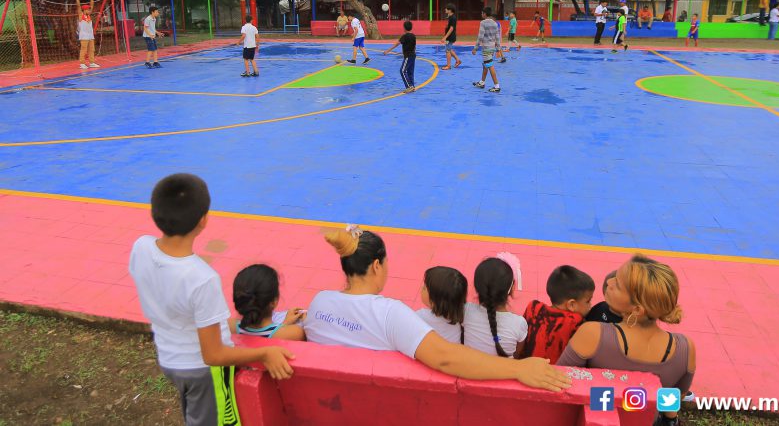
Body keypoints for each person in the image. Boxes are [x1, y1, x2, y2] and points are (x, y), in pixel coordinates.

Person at [303, 225, 571, 391]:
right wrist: (518, 369)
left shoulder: (318, 303)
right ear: (376, 265)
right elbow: (445, 357)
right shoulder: (390, 313)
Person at [129, 174, 298, 426]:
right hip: (202, 372)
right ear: (203, 220)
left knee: (195, 413)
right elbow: (214, 355)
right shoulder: (201, 278)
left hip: (169, 357)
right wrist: (265, 352)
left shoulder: (140, 247)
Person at [558, 255, 696, 426]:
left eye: (618, 284)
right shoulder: (685, 349)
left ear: (637, 309)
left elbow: (560, 383)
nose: (609, 283)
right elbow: (673, 397)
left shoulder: (592, 334)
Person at [520, 265, 594, 364]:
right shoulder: (575, 322)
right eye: (588, 301)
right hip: (555, 374)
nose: (590, 305)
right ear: (571, 304)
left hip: (526, 367)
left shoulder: (533, 308)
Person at [463, 256, 527, 358]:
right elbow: (517, 355)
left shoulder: (466, 311)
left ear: (476, 287)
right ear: (511, 288)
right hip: (504, 372)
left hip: (470, 368)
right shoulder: (519, 324)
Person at [232, 264, 306, 338]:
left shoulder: (231, 327)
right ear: (274, 301)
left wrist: (284, 324)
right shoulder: (295, 333)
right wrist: (307, 322)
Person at [416, 266, 468, 344]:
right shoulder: (463, 315)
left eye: (424, 288)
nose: (421, 288)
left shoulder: (420, 316)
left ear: (434, 301)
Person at [382, 20, 417, 93]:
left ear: (404, 28)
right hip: (413, 55)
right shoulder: (413, 36)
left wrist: (388, 51)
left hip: (408, 56)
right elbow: (414, 46)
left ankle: (409, 86)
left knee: (402, 70)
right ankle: (412, 86)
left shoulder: (404, 36)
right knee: (410, 72)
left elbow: (396, 44)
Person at [472, 7, 501, 92]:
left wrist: (475, 48)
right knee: (486, 64)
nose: (481, 15)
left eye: (482, 13)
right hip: (492, 48)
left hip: (486, 48)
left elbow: (480, 36)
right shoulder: (495, 23)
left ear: (484, 14)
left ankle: (496, 86)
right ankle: (482, 82)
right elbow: (497, 37)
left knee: (489, 65)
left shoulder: (483, 23)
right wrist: (498, 49)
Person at [76, 0, 99, 69]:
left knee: (92, 49)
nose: (89, 11)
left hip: (90, 36)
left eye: (89, 10)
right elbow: (78, 6)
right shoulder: (81, 15)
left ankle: (92, 62)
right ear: (84, 10)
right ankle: (82, 63)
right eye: (88, 10)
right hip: (84, 36)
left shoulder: (89, 16)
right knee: (84, 50)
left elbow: (92, 5)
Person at [440, 4, 462, 70]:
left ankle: (448, 66)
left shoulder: (453, 18)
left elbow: (451, 28)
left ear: (450, 10)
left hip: (450, 37)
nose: (445, 10)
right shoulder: (450, 17)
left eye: (446, 9)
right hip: (448, 37)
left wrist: (445, 37)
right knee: (449, 49)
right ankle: (458, 60)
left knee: (447, 50)